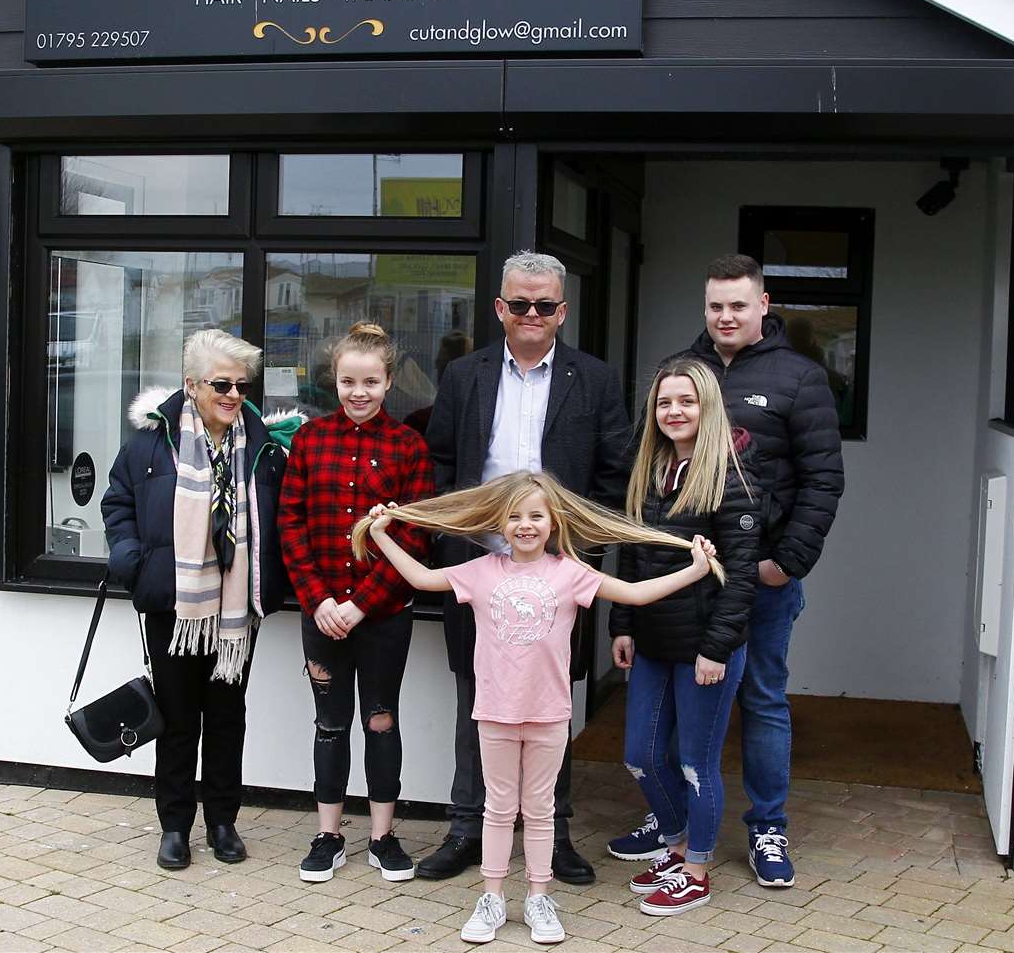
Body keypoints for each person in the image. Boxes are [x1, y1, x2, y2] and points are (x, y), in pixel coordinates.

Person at [354, 471, 718, 945]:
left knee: (541, 810)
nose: (525, 525)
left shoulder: (570, 572)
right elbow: (422, 577)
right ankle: (492, 898)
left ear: (553, 522)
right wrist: (381, 533)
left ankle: (539, 898)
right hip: (495, 712)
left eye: (536, 516)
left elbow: (634, 595)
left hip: (549, 713)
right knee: (498, 809)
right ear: (499, 523)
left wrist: (696, 569)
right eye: (515, 516)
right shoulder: (481, 570)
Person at [607, 253, 843, 887]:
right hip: (680, 589)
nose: (726, 316)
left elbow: (823, 481)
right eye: (716, 305)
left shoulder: (800, 377)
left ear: (763, 305)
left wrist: (783, 563)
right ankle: (677, 828)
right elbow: (644, 481)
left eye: (739, 304)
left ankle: (767, 828)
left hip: (758, 576)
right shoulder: (682, 372)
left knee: (762, 699)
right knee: (680, 720)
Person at [422, 251, 631, 885]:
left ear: (562, 311)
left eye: (544, 305)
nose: (532, 314)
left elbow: (614, 471)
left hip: (557, 570)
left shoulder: (593, 379)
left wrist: (578, 553)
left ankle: (554, 831)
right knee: (475, 697)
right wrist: (449, 545)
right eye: (520, 304)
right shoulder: (465, 375)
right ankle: (466, 828)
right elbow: (438, 463)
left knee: (552, 702)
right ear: (500, 308)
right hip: (480, 563)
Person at [101, 329, 303, 871]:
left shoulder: (264, 446)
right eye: (221, 383)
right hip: (174, 605)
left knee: (227, 716)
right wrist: (133, 562)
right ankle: (174, 826)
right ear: (192, 385)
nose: (234, 394)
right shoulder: (150, 443)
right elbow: (117, 503)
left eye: (241, 384)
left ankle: (222, 821)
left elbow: (286, 519)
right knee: (176, 718)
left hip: (237, 612)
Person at [278, 322, 437, 884]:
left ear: (389, 381)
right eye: (348, 381)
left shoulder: (408, 447)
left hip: (384, 615)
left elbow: (414, 539)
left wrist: (361, 605)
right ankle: (328, 835)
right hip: (321, 612)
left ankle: (383, 837)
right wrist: (319, 600)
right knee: (328, 722)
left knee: (381, 719)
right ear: (335, 381)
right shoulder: (309, 440)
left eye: (370, 381)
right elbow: (290, 525)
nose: (359, 392)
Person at [610, 358, 761, 916]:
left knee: (696, 762)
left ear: (708, 407)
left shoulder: (733, 475)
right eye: (665, 402)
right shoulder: (648, 470)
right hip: (651, 641)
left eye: (687, 401)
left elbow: (742, 575)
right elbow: (630, 553)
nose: (675, 411)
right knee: (641, 756)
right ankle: (674, 845)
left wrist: (715, 648)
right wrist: (622, 624)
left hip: (705, 649)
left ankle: (695, 868)